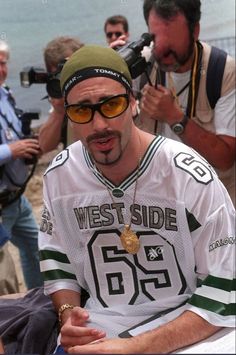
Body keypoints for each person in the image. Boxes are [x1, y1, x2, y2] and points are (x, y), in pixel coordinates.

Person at [38, 45, 235, 354]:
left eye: (112, 105)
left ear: (133, 103)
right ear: (68, 114)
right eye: (82, 110)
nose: (99, 124)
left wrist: (137, 348)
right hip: (101, 328)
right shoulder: (60, 176)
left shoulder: (187, 175)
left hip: (194, 330)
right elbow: (57, 254)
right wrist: (68, 316)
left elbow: (225, 286)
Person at [137, 0, 235, 205]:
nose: (163, 51)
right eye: (156, 38)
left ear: (195, 30)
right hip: (160, 201)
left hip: (211, 203)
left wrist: (174, 117)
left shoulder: (224, 71)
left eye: (172, 41)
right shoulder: (142, 69)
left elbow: (225, 159)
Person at [0, 39, 42, 290]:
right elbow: (9, 146)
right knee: (4, 276)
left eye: (3, 63)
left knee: (37, 251)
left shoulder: (6, 94)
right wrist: (11, 150)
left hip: (17, 197)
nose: (1, 69)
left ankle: (38, 299)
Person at [38, 36, 84, 153]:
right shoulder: (61, 100)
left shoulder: (99, 91)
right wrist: (58, 111)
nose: (64, 79)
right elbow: (45, 145)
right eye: (58, 75)